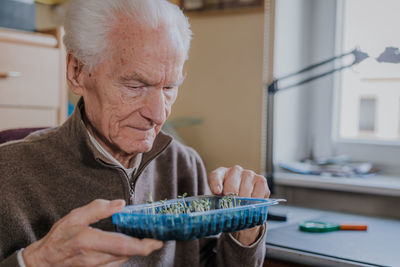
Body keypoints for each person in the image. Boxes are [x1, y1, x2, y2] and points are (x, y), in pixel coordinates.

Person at [0, 0, 270, 266]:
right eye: (134, 86)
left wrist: (244, 232)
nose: (159, 115)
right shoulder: (7, 174)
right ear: (77, 72)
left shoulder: (184, 165)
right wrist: (34, 262)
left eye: (168, 88)